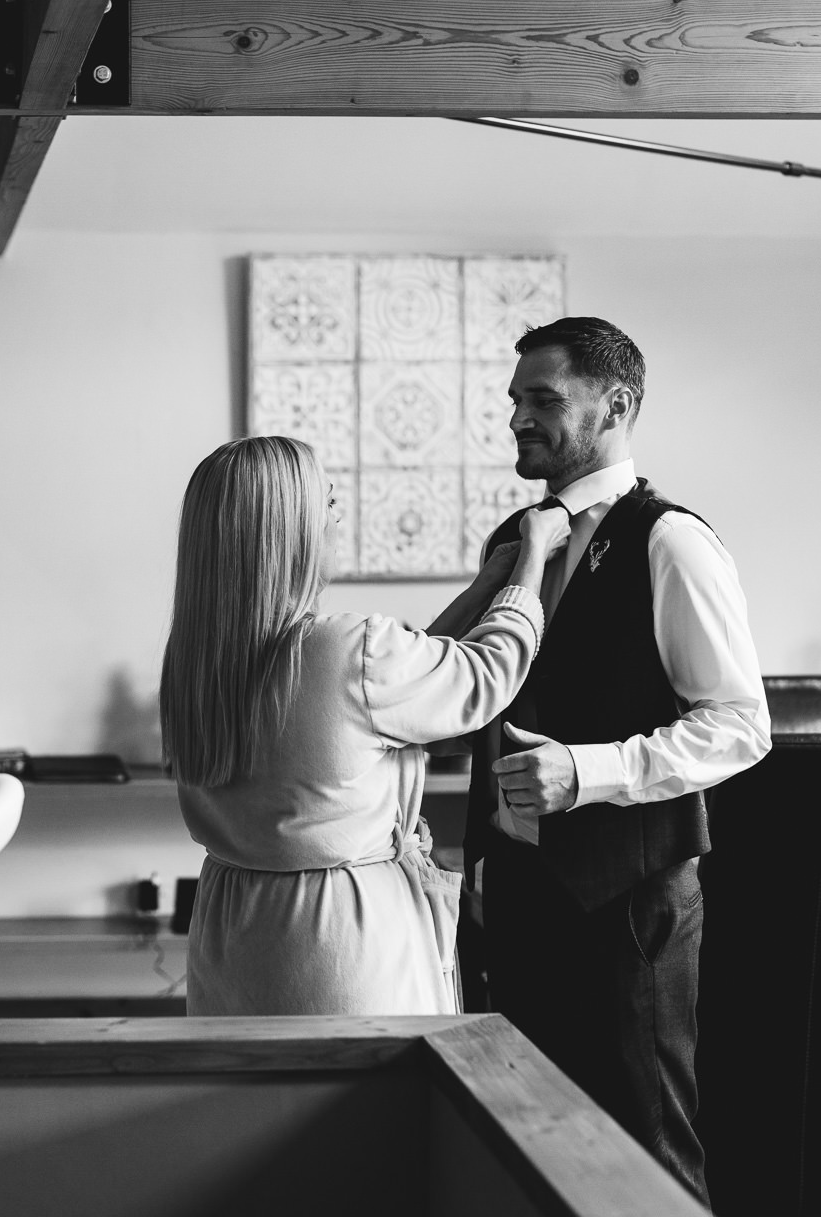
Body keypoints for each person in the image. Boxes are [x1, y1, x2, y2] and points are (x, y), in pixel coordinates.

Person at [464, 316, 770, 1204]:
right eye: (516, 399)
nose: (519, 417)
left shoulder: (673, 541)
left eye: (543, 399)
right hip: (514, 894)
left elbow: (740, 725)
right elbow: (491, 699)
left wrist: (586, 773)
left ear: (617, 404)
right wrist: (483, 854)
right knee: (526, 1139)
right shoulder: (513, 542)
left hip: (628, 903)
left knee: (646, 1149)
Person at [160, 434, 569, 1016]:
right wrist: (532, 556)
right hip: (337, 939)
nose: (339, 516)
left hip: (232, 931)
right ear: (290, 530)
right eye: (327, 501)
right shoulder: (347, 649)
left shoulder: (195, 656)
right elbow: (483, 675)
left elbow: (400, 679)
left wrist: (484, 589)